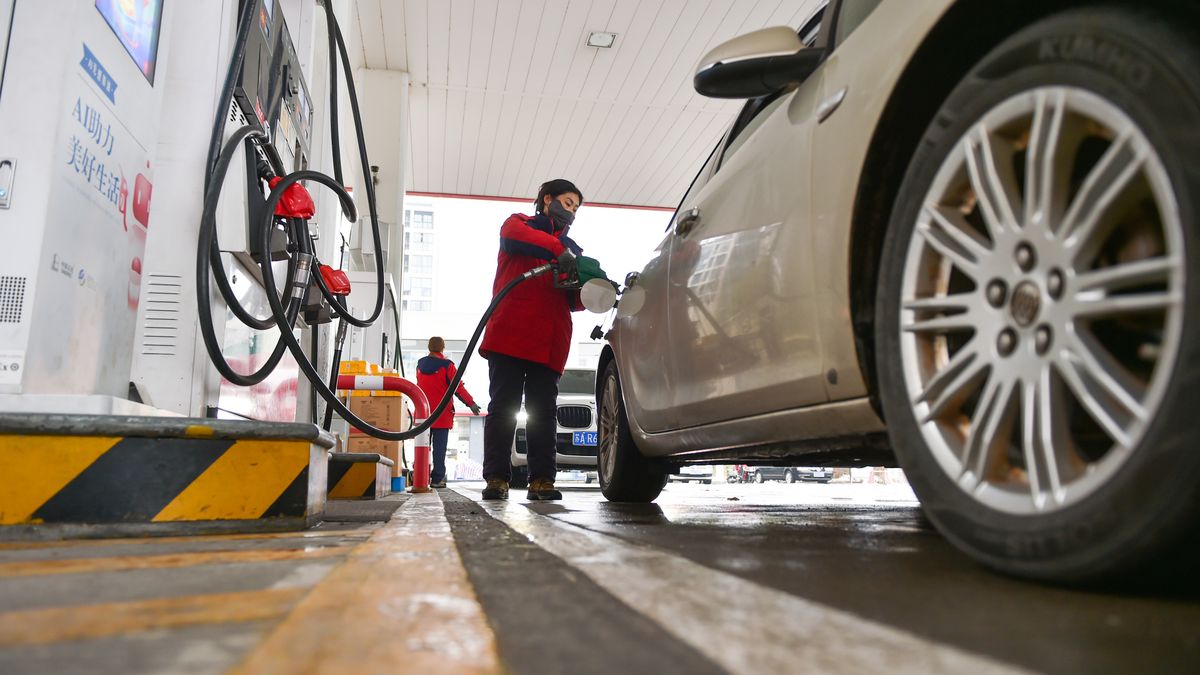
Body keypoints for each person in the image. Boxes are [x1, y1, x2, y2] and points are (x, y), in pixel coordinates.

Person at [479, 179, 587, 501]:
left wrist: (591, 287)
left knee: (543, 411)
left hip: (549, 341)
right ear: (546, 199)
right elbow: (515, 238)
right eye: (567, 203)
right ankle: (497, 478)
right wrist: (559, 251)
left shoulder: (573, 250)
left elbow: (575, 301)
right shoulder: (518, 225)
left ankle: (542, 481)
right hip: (510, 334)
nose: (571, 212)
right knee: (503, 407)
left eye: (576, 208)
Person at [416, 336, 480, 488]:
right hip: (441, 415)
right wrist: (471, 403)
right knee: (439, 449)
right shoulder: (447, 365)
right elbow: (458, 388)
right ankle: (437, 479)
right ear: (443, 348)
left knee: (422, 448)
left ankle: (420, 477)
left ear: (429, 347)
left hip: (423, 414)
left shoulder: (420, 364)